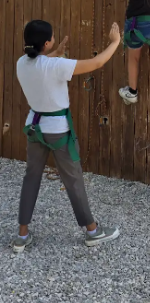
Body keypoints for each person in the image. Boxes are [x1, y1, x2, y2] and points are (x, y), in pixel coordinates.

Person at [13, 20, 121, 253]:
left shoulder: (21, 63)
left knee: (31, 178)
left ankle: (22, 235)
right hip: (57, 130)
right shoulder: (56, 66)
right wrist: (115, 42)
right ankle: (92, 231)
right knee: (73, 180)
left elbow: (40, 63)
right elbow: (97, 62)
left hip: (34, 127)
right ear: (47, 42)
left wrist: (55, 53)